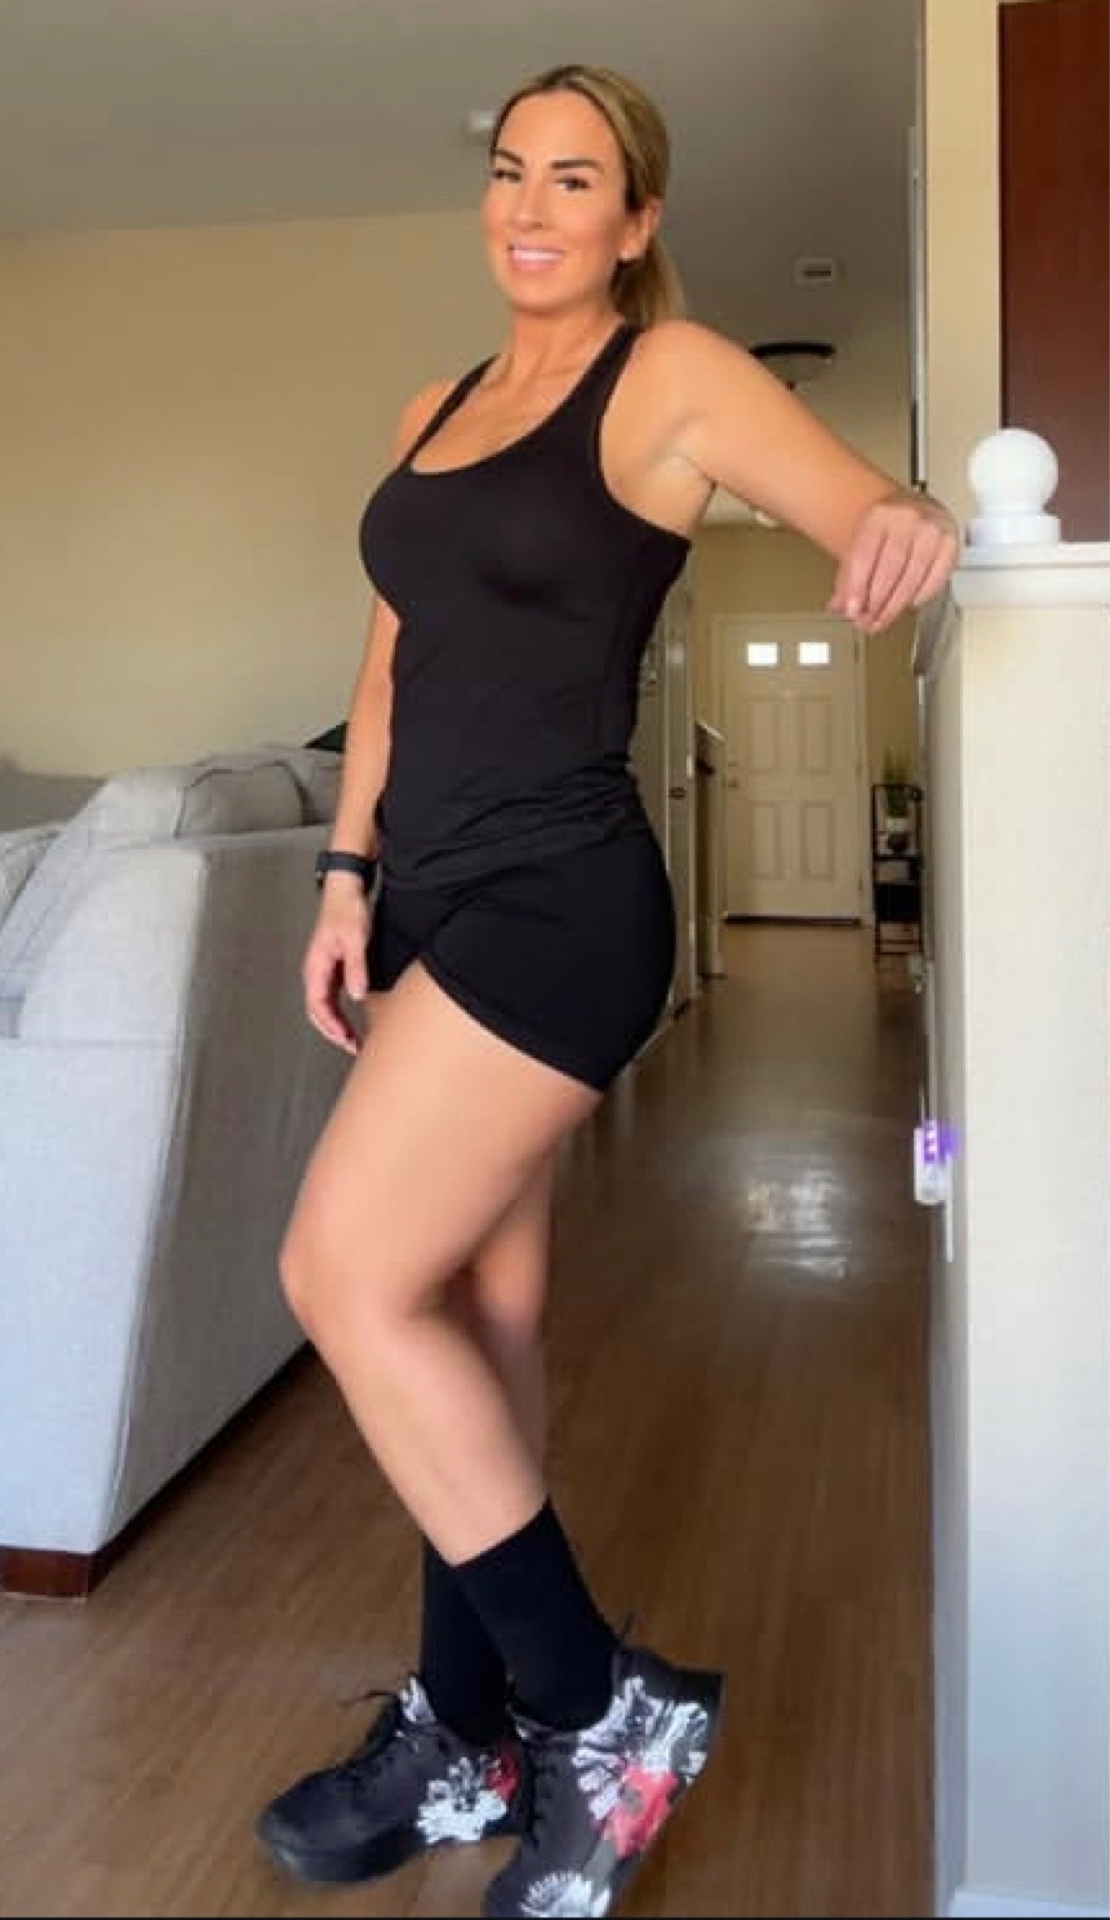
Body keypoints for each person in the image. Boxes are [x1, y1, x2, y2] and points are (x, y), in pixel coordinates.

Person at [256, 61, 959, 1920]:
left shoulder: (673, 377)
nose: (531, 204)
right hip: (425, 900)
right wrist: (344, 877)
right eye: (511, 169)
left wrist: (912, 505)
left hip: (559, 904)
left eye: (577, 177)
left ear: (637, 218)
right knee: (474, 1311)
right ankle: (465, 1731)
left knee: (342, 1274)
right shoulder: (433, 410)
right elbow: (388, 670)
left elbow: (867, 505)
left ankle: (597, 1711)